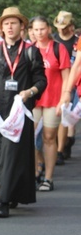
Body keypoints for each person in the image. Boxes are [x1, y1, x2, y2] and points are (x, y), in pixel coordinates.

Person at [0, 7, 46, 218]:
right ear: (1, 27)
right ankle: (4, 196)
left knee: (15, 153)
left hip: (20, 110)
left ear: (21, 26)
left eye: (13, 22)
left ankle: (7, 197)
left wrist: (30, 92)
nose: (9, 26)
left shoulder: (30, 51)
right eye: (5, 23)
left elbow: (41, 80)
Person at [30, 16, 69, 191]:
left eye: (42, 29)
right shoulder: (29, 49)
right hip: (34, 101)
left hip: (53, 100)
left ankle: (48, 178)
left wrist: (64, 99)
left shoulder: (58, 48)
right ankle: (37, 168)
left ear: (48, 29)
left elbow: (67, 76)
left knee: (49, 138)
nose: (39, 33)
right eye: (36, 29)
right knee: (28, 138)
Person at [52, 11, 78, 160]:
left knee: (69, 113)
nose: (61, 29)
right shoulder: (54, 40)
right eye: (59, 26)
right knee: (58, 114)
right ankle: (61, 145)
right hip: (56, 81)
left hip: (72, 81)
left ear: (70, 26)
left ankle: (65, 144)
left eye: (64, 26)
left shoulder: (76, 41)